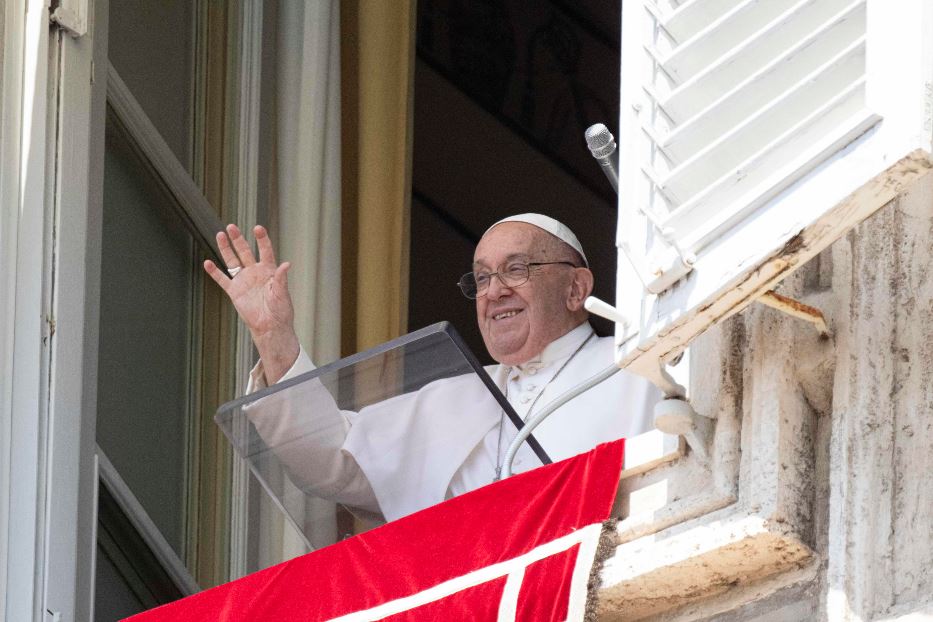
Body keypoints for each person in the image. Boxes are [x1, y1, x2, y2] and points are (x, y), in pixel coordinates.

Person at [204, 214, 660, 521]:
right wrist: (274, 336)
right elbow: (328, 461)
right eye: (482, 278)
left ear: (576, 288)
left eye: (516, 269)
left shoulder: (639, 367)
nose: (494, 291)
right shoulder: (453, 398)